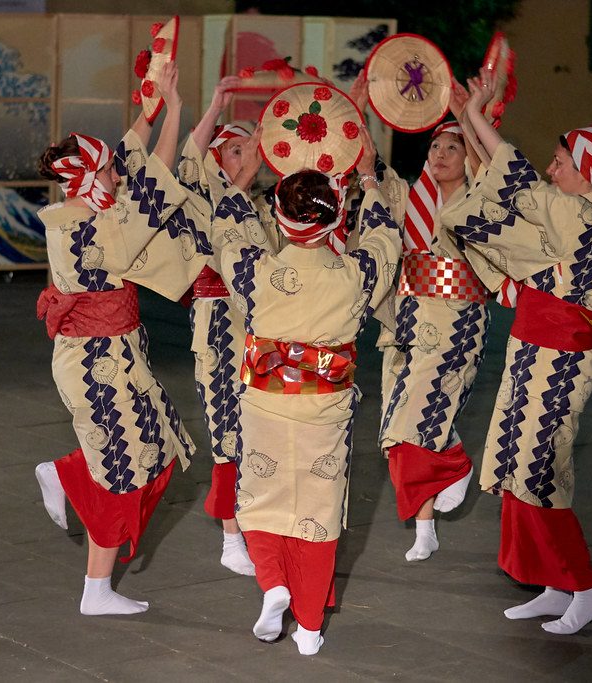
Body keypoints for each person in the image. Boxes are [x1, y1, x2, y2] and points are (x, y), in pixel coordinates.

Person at [439, 70, 592, 634]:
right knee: (515, 463)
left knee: (540, 470)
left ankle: (585, 587)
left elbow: (518, 183)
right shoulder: (574, 215)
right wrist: (471, 124)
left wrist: (476, 117)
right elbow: (508, 191)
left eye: (562, 162)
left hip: (561, 360)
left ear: (590, 173)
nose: (553, 169)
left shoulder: (590, 217)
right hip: (535, 350)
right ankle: (552, 583)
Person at [211, 126, 401, 655]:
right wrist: (367, 178)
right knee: (316, 514)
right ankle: (311, 629)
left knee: (261, 500)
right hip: (324, 409)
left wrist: (243, 176)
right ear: (338, 219)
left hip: (266, 403)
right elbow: (385, 234)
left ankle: (272, 584)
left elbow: (226, 227)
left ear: (278, 219)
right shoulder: (357, 274)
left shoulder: (255, 269)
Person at [32, 62, 209, 615]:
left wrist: (152, 105)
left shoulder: (76, 212)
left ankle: (94, 580)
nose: (118, 177)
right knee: (128, 470)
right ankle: (93, 577)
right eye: (109, 171)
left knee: (147, 456)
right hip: (99, 366)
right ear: (94, 177)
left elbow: (131, 158)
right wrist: (174, 110)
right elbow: (156, 179)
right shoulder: (104, 227)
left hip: (103, 358)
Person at [372, 79, 512, 562]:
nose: (441, 153)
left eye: (452, 146)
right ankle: (425, 524)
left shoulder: (480, 201)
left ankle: (452, 464)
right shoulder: (411, 196)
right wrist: (351, 106)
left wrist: (469, 117)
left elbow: (492, 169)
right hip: (406, 322)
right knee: (397, 429)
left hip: (456, 325)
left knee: (417, 419)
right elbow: (367, 166)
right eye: (435, 145)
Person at [173, 75, 269, 577]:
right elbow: (188, 153)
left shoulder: (263, 205)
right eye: (234, 151)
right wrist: (216, 103)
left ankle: (257, 523)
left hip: (264, 327)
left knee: (265, 428)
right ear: (215, 159)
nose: (245, 158)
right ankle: (232, 535)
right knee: (227, 424)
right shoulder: (199, 196)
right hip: (219, 324)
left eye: (250, 150)